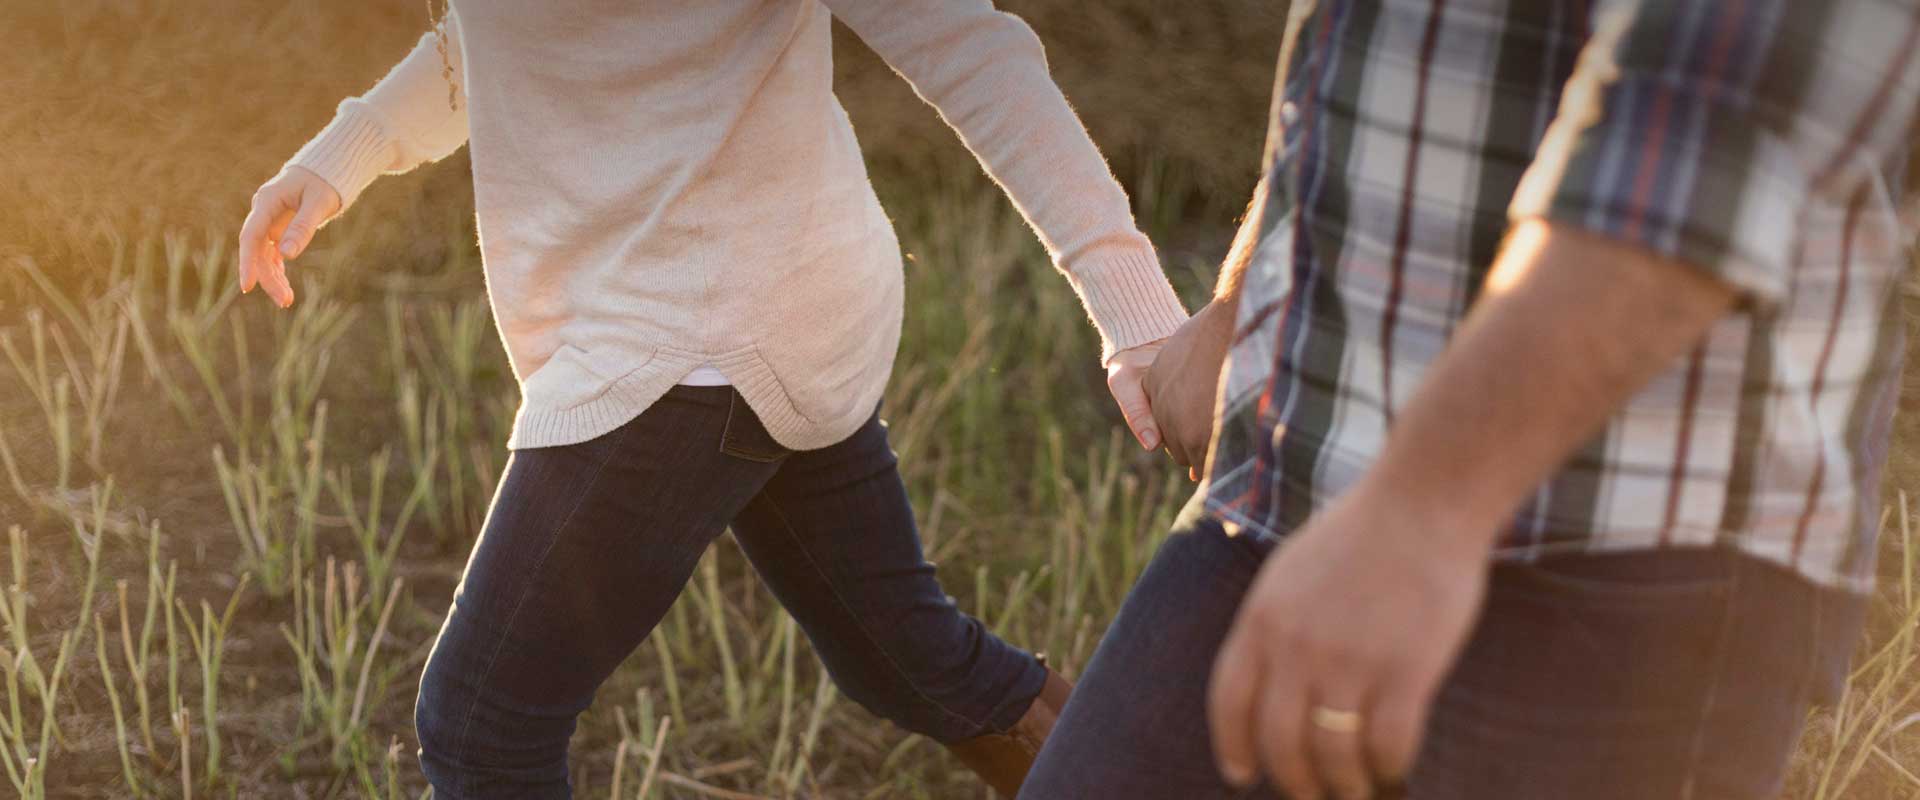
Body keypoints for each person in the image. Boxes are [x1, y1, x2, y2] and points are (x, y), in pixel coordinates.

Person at [235, 2, 1189, 797]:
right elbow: (489, 38)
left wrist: (1134, 310)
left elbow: (965, 44)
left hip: (693, 334)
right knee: (909, 662)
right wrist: (340, 157)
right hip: (756, 304)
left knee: (483, 724)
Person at [1023, 0, 1920, 797]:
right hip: (1300, 463)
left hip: (1620, 541)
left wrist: (1423, 512)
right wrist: (1246, 293)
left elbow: (1707, 137)